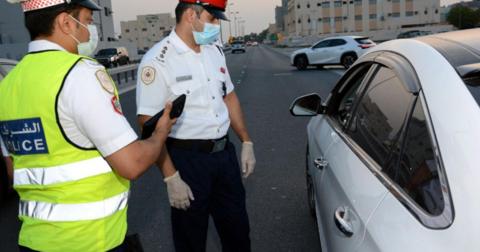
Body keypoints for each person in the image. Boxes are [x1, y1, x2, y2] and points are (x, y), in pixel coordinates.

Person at [0, 0, 176, 251]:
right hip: (91, 241)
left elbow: (13, 171)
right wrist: (160, 133)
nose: (89, 32)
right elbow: (132, 164)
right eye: (87, 22)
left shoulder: (8, 84)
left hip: (33, 241)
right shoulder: (79, 74)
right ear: (65, 22)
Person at [136, 1, 256, 251]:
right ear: (192, 15)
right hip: (187, 162)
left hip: (224, 158)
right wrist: (171, 176)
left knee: (238, 234)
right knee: (191, 241)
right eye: (212, 19)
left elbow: (229, 95)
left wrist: (246, 140)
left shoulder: (214, 50)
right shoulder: (158, 60)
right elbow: (147, 123)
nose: (216, 26)